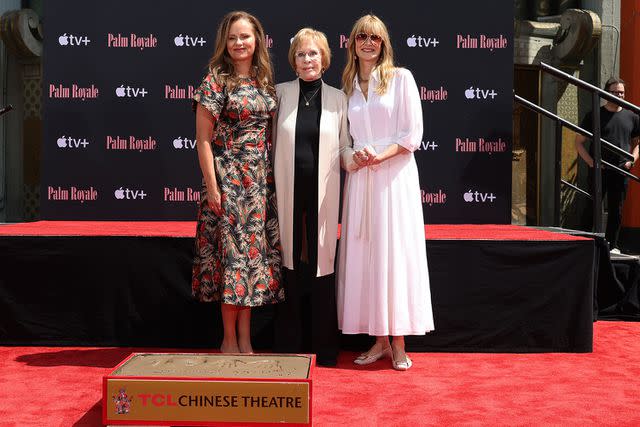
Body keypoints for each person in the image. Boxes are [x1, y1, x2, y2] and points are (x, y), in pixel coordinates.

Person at [336, 14, 434, 371]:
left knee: (395, 254)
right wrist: (355, 157)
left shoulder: (401, 79)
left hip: (394, 178)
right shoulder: (346, 86)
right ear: (352, 43)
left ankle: (399, 343)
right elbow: (344, 140)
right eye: (361, 36)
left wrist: (379, 154)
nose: (368, 42)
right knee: (367, 254)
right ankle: (377, 341)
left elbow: (412, 135)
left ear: (383, 43)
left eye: (375, 38)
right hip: (362, 178)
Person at [191, 11, 283, 354]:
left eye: (245, 36)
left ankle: (246, 338)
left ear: (256, 39)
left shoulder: (264, 81)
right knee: (230, 262)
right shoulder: (215, 82)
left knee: (250, 264)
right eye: (232, 38)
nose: (239, 43)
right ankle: (229, 339)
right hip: (228, 183)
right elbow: (203, 140)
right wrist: (213, 188)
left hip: (259, 186)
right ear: (224, 44)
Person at [271, 28, 352, 366]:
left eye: (314, 53)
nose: (308, 59)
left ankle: (324, 347)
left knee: (322, 265)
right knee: (289, 263)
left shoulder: (338, 98)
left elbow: (345, 145)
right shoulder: (279, 94)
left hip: (324, 193)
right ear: (294, 61)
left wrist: (356, 159)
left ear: (324, 59)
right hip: (286, 189)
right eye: (302, 54)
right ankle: (288, 345)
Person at [575, 77, 640, 253]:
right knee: (592, 206)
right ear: (605, 93)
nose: (619, 95)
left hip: (621, 169)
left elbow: (637, 143)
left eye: (621, 92)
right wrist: (591, 163)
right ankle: (583, 242)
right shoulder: (595, 114)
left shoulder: (632, 116)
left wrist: (632, 160)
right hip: (599, 170)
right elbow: (579, 142)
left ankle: (612, 245)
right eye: (615, 92)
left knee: (616, 209)